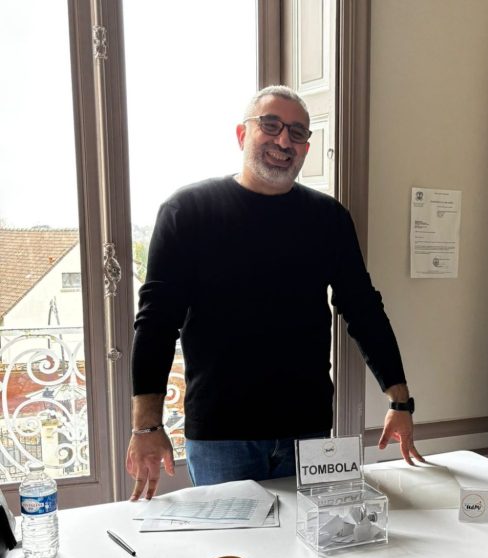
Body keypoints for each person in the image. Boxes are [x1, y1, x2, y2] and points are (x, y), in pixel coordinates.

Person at [127, 85, 423, 500]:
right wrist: (146, 426)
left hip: (308, 430)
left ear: (306, 148)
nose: (284, 140)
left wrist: (400, 401)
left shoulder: (329, 219)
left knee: (315, 538)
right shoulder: (188, 211)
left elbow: (363, 309)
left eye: (297, 132)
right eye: (271, 125)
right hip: (221, 435)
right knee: (234, 542)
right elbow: (157, 322)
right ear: (241, 134)